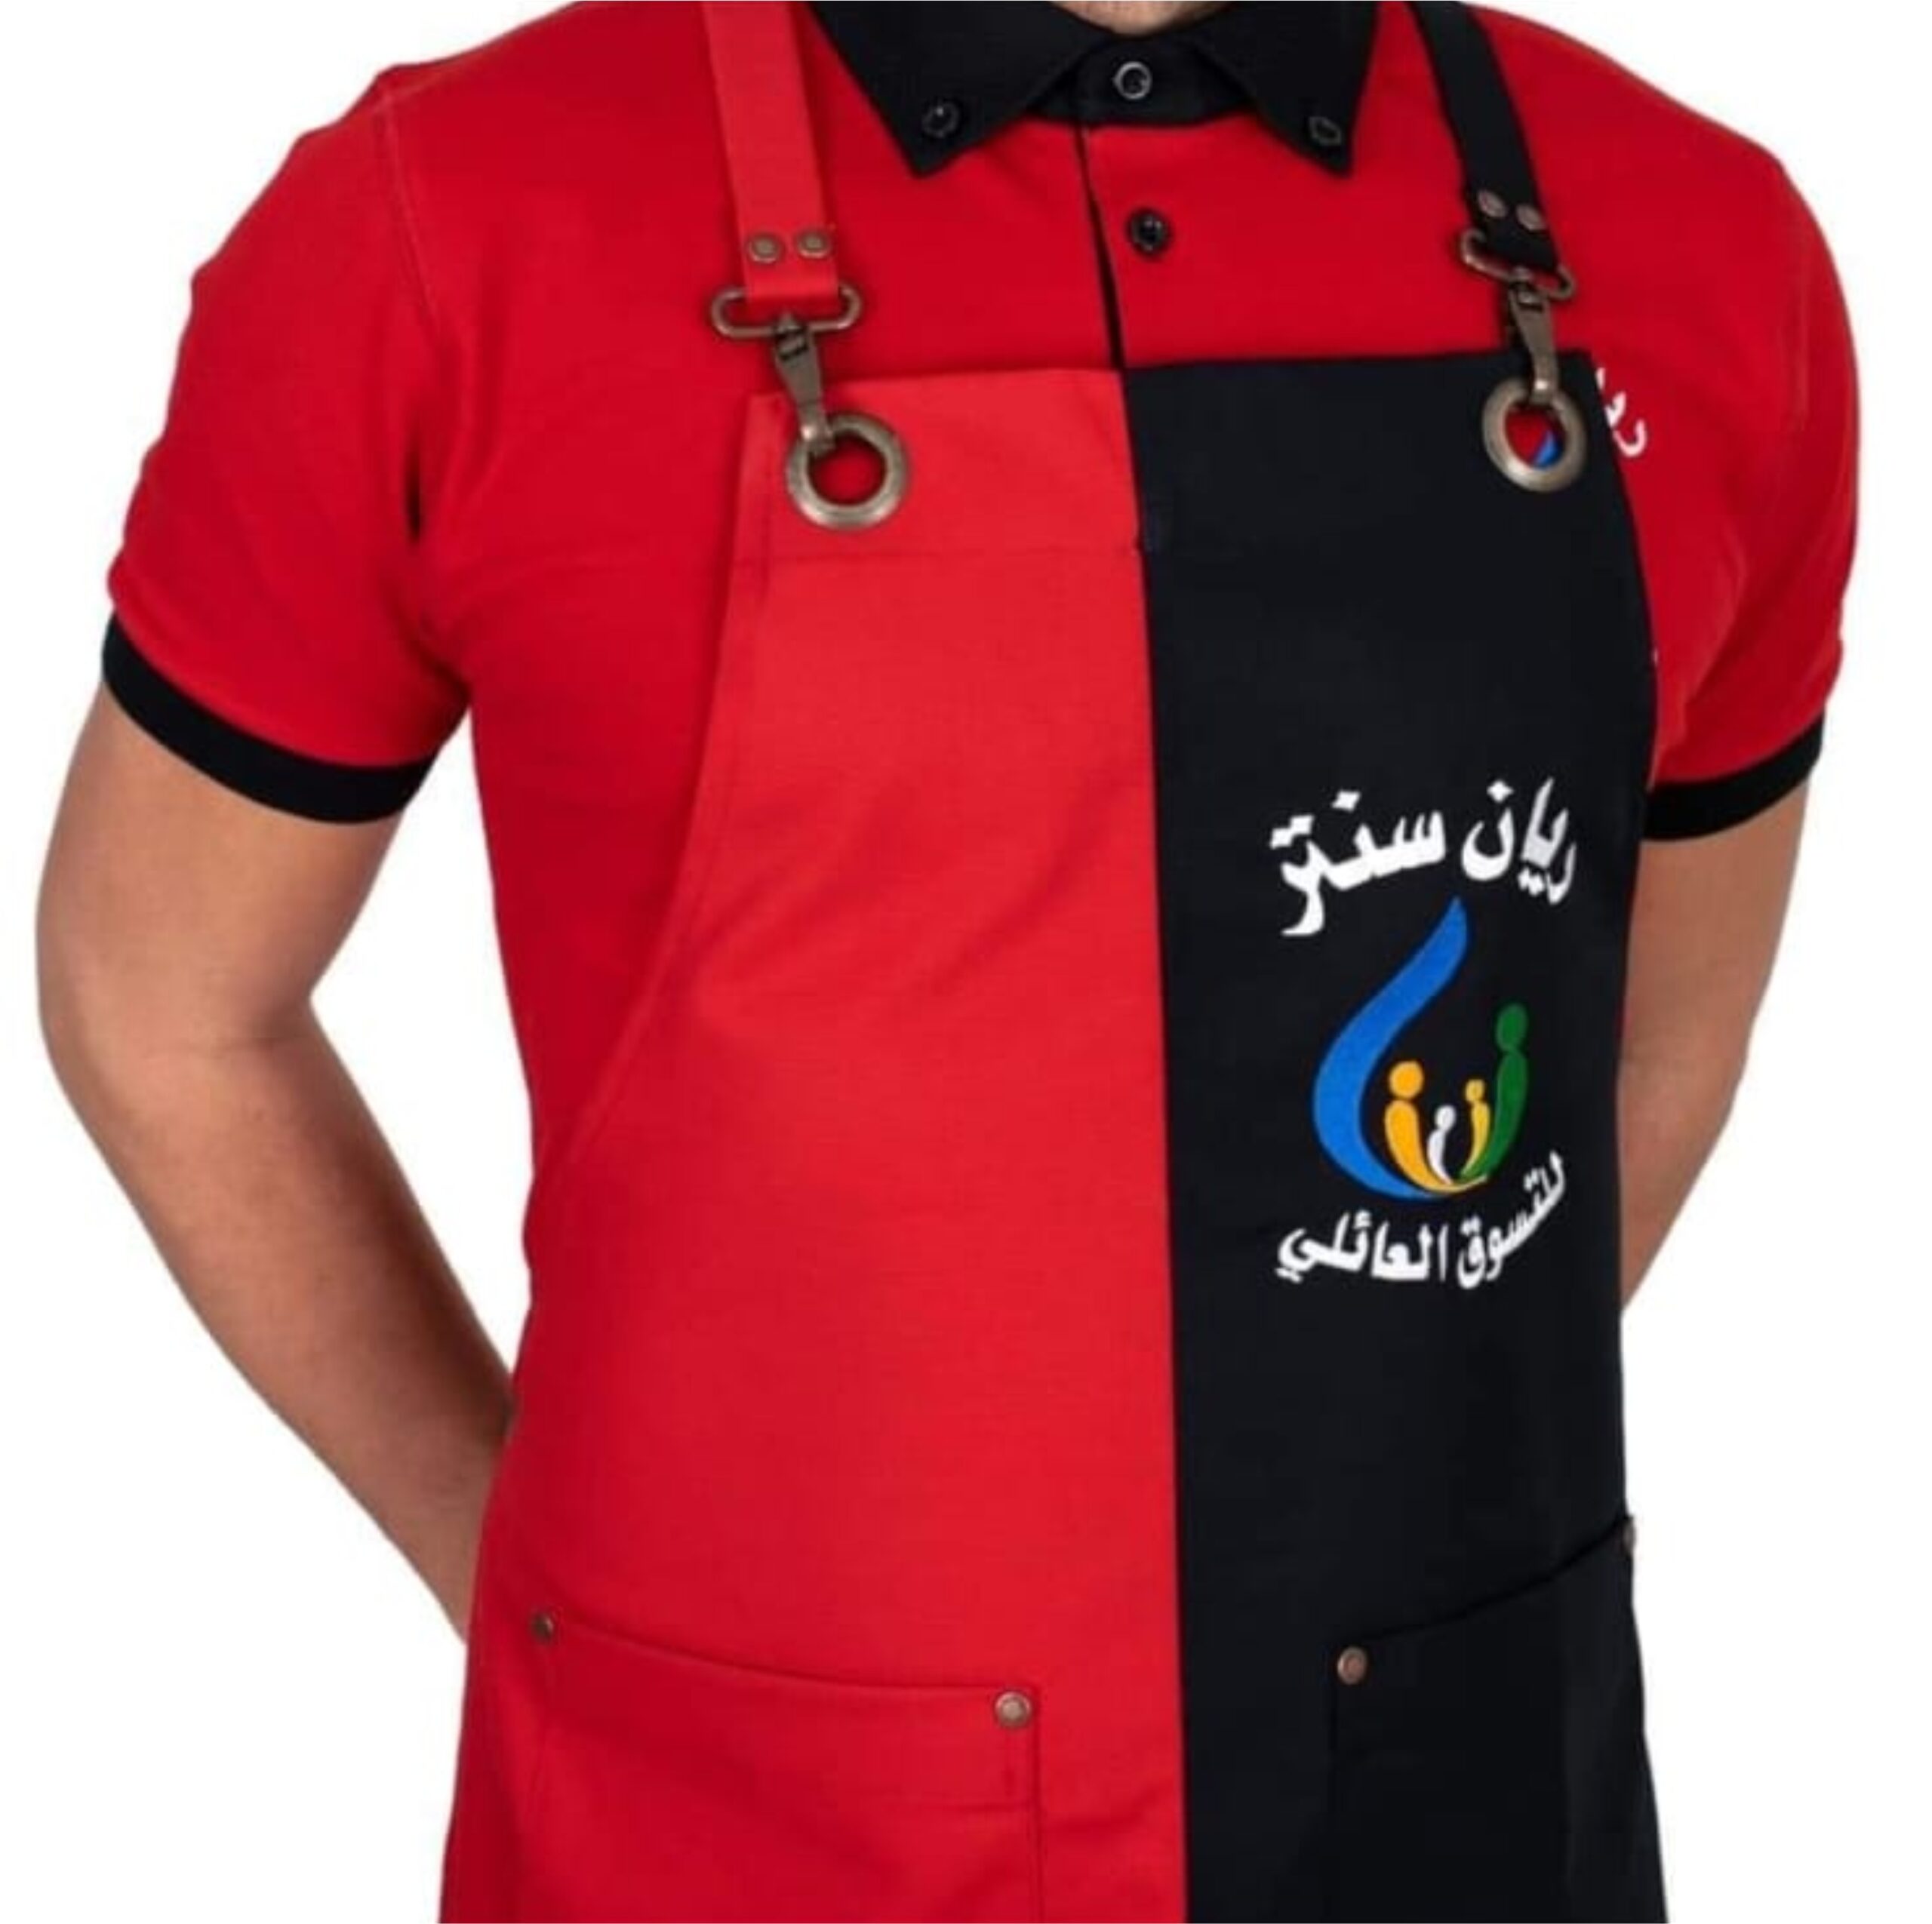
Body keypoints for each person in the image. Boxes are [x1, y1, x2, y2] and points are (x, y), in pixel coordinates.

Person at [35, 2, 1857, 1918]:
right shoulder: (446, 224)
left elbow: (1651, 1043)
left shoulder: (1695, 237)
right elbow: (159, 999)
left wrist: (1346, 1451)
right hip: (725, 1840)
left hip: (1456, 1808)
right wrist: (493, 1539)